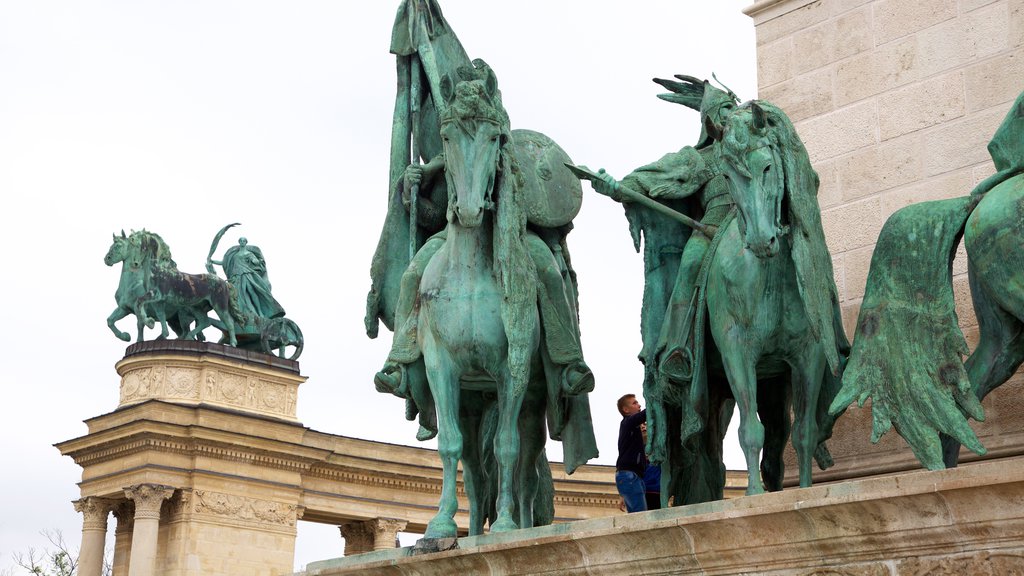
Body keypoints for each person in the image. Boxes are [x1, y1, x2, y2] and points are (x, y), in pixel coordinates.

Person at [216, 237, 285, 325]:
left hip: (246, 274)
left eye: (243, 241)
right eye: (240, 241)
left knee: (251, 292)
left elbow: (254, 260)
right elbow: (224, 262)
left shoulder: (249, 253)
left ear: (246, 242)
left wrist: (257, 261)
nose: (242, 242)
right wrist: (212, 261)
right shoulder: (235, 255)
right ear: (239, 242)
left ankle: (259, 312)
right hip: (236, 276)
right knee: (236, 295)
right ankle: (242, 313)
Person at [616, 393, 648, 513]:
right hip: (630, 476)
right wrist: (654, 400)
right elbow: (645, 414)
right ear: (626, 410)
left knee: (640, 513)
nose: (639, 405)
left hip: (634, 476)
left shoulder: (632, 428)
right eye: (634, 403)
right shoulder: (628, 422)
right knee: (640, 515)